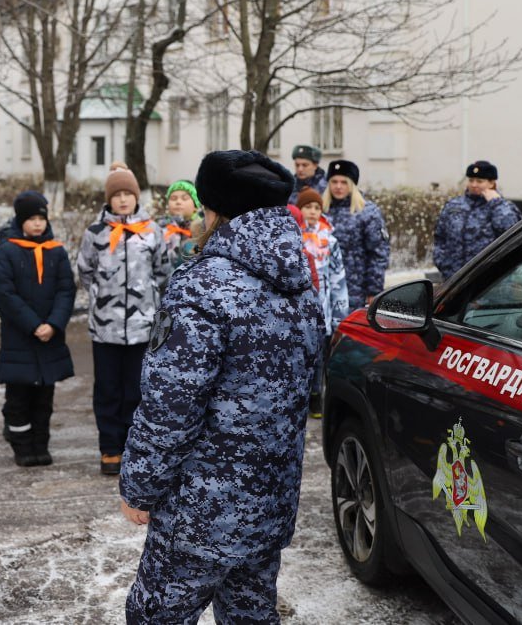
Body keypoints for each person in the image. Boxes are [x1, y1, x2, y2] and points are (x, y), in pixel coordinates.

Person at [120, 150, 323, 625]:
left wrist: (140, 486)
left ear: (213, 209)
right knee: (250, 615)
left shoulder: (202, 283)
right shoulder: (298, 280)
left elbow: (172, 402)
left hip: (200, 510)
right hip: (269, 501)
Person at [77, 164, 171, 476]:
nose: (122, 200)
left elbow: (163, 272)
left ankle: (135, 448)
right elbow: (85, 271)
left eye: (127, 194)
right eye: (116, 195)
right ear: (108, 199)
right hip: (106, 327)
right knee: (107, 389)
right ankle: (110, 448)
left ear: (135, 197)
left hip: (142, 329)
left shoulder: (151, 231)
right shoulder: (96, 234)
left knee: (137, 389)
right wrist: (101, 296)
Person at [0, 192, 76, 467]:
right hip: (20, 338)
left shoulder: (56, 251)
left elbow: (66, 290)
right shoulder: (7, 252)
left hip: (50, 337)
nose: (37, 224)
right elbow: (4, 294)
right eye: (31, 219)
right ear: (20, 221)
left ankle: (41, 444)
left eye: (41, 218)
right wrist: (33, 324)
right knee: (19, 399)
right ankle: (22, 446)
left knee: (44, 399)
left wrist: (54, 323)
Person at [294, 188, 349, 418]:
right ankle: (299, 397)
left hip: (323, 303)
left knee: (318, 354)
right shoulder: (293, 237)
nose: (313, 212)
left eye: (317, 208)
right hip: (298, 306)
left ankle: (316, 395)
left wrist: (339, 312)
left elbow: (338, 276)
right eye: (308, 207)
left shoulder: (330, 239)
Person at [433, 160, 522, 280]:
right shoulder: (453, 205)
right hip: (454, 279)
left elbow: (512, 233)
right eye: (471, 180)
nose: (474, 184)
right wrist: (442, 263)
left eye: (479, 181)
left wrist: (496, 204)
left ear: (491, 183)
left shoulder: (505, 207)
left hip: (489, 281)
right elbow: (440, 237)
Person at [323, 160, 391, 310]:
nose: (338, 186)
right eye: (334, 181)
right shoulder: (320, 210)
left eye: (344, 182)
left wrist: (374, 290)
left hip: (355, 290)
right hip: (324, 289)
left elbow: (378, 254)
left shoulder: (367, 212)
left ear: (352, 185)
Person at [159, 180, 200, 271]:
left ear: (195, 205)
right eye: (173, 198)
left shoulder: (202, 230)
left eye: (184, 198)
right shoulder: (160, 230)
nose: (178, 202)